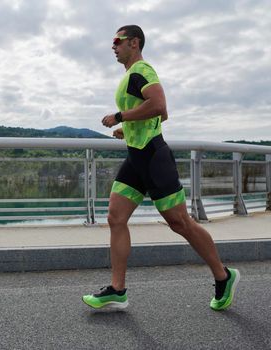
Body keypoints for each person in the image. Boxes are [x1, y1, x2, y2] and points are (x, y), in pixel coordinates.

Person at [82, 25, 240, 311]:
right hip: (136, 158)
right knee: (115, 218)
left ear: (134, 42)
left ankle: (224, 275)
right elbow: (158, 113)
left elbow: (160, 106)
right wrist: (126, 128)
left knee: (180, 222)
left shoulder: (143, 70)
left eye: (117, 41)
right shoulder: (131, 76)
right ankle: (118, 290)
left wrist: (119, 116)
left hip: (154, 157)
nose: (113, 46)